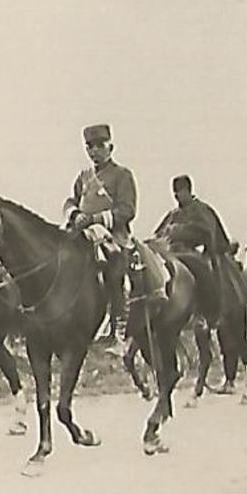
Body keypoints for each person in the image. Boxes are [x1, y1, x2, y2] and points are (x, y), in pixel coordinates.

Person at [64, 123, 138, 345]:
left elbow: (127, 210)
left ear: (110, 147)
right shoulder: (84, 177)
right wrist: (75, 214)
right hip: (84, 235)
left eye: (99, 146)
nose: (94, 151)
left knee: (115, 271)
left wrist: (96, 220)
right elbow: (70, 200)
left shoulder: (122, 175)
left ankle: (119, 328)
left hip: (113, 237)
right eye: (90, 146)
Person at [152, 174, 234, 321]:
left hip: (196, 253)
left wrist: (179, 231)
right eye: (175, 192)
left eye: (180, 191)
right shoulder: (172, 214)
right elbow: (160, 233)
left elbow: (207, 233)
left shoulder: (201, 210)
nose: (177, 196)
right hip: (171, 253)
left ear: (188, 191)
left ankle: (205, 314)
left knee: (200, 270)